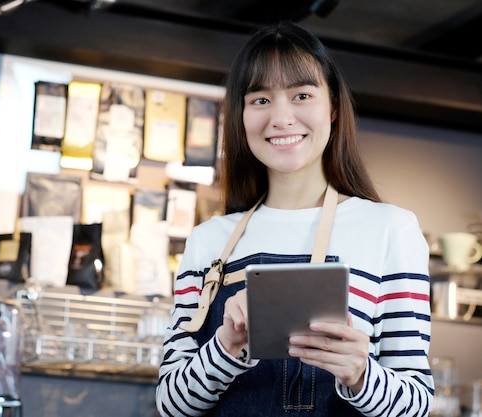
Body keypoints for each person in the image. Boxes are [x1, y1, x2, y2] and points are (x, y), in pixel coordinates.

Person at [155, 21, 433, 417]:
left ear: (333, 107)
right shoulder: (209, 240)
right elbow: (170, 404)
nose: (282, 118)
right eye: (261, 100)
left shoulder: (391, 229)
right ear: (241, 115)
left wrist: (360, 374)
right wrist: (226, 347)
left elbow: (417, 403)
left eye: (301, 95)